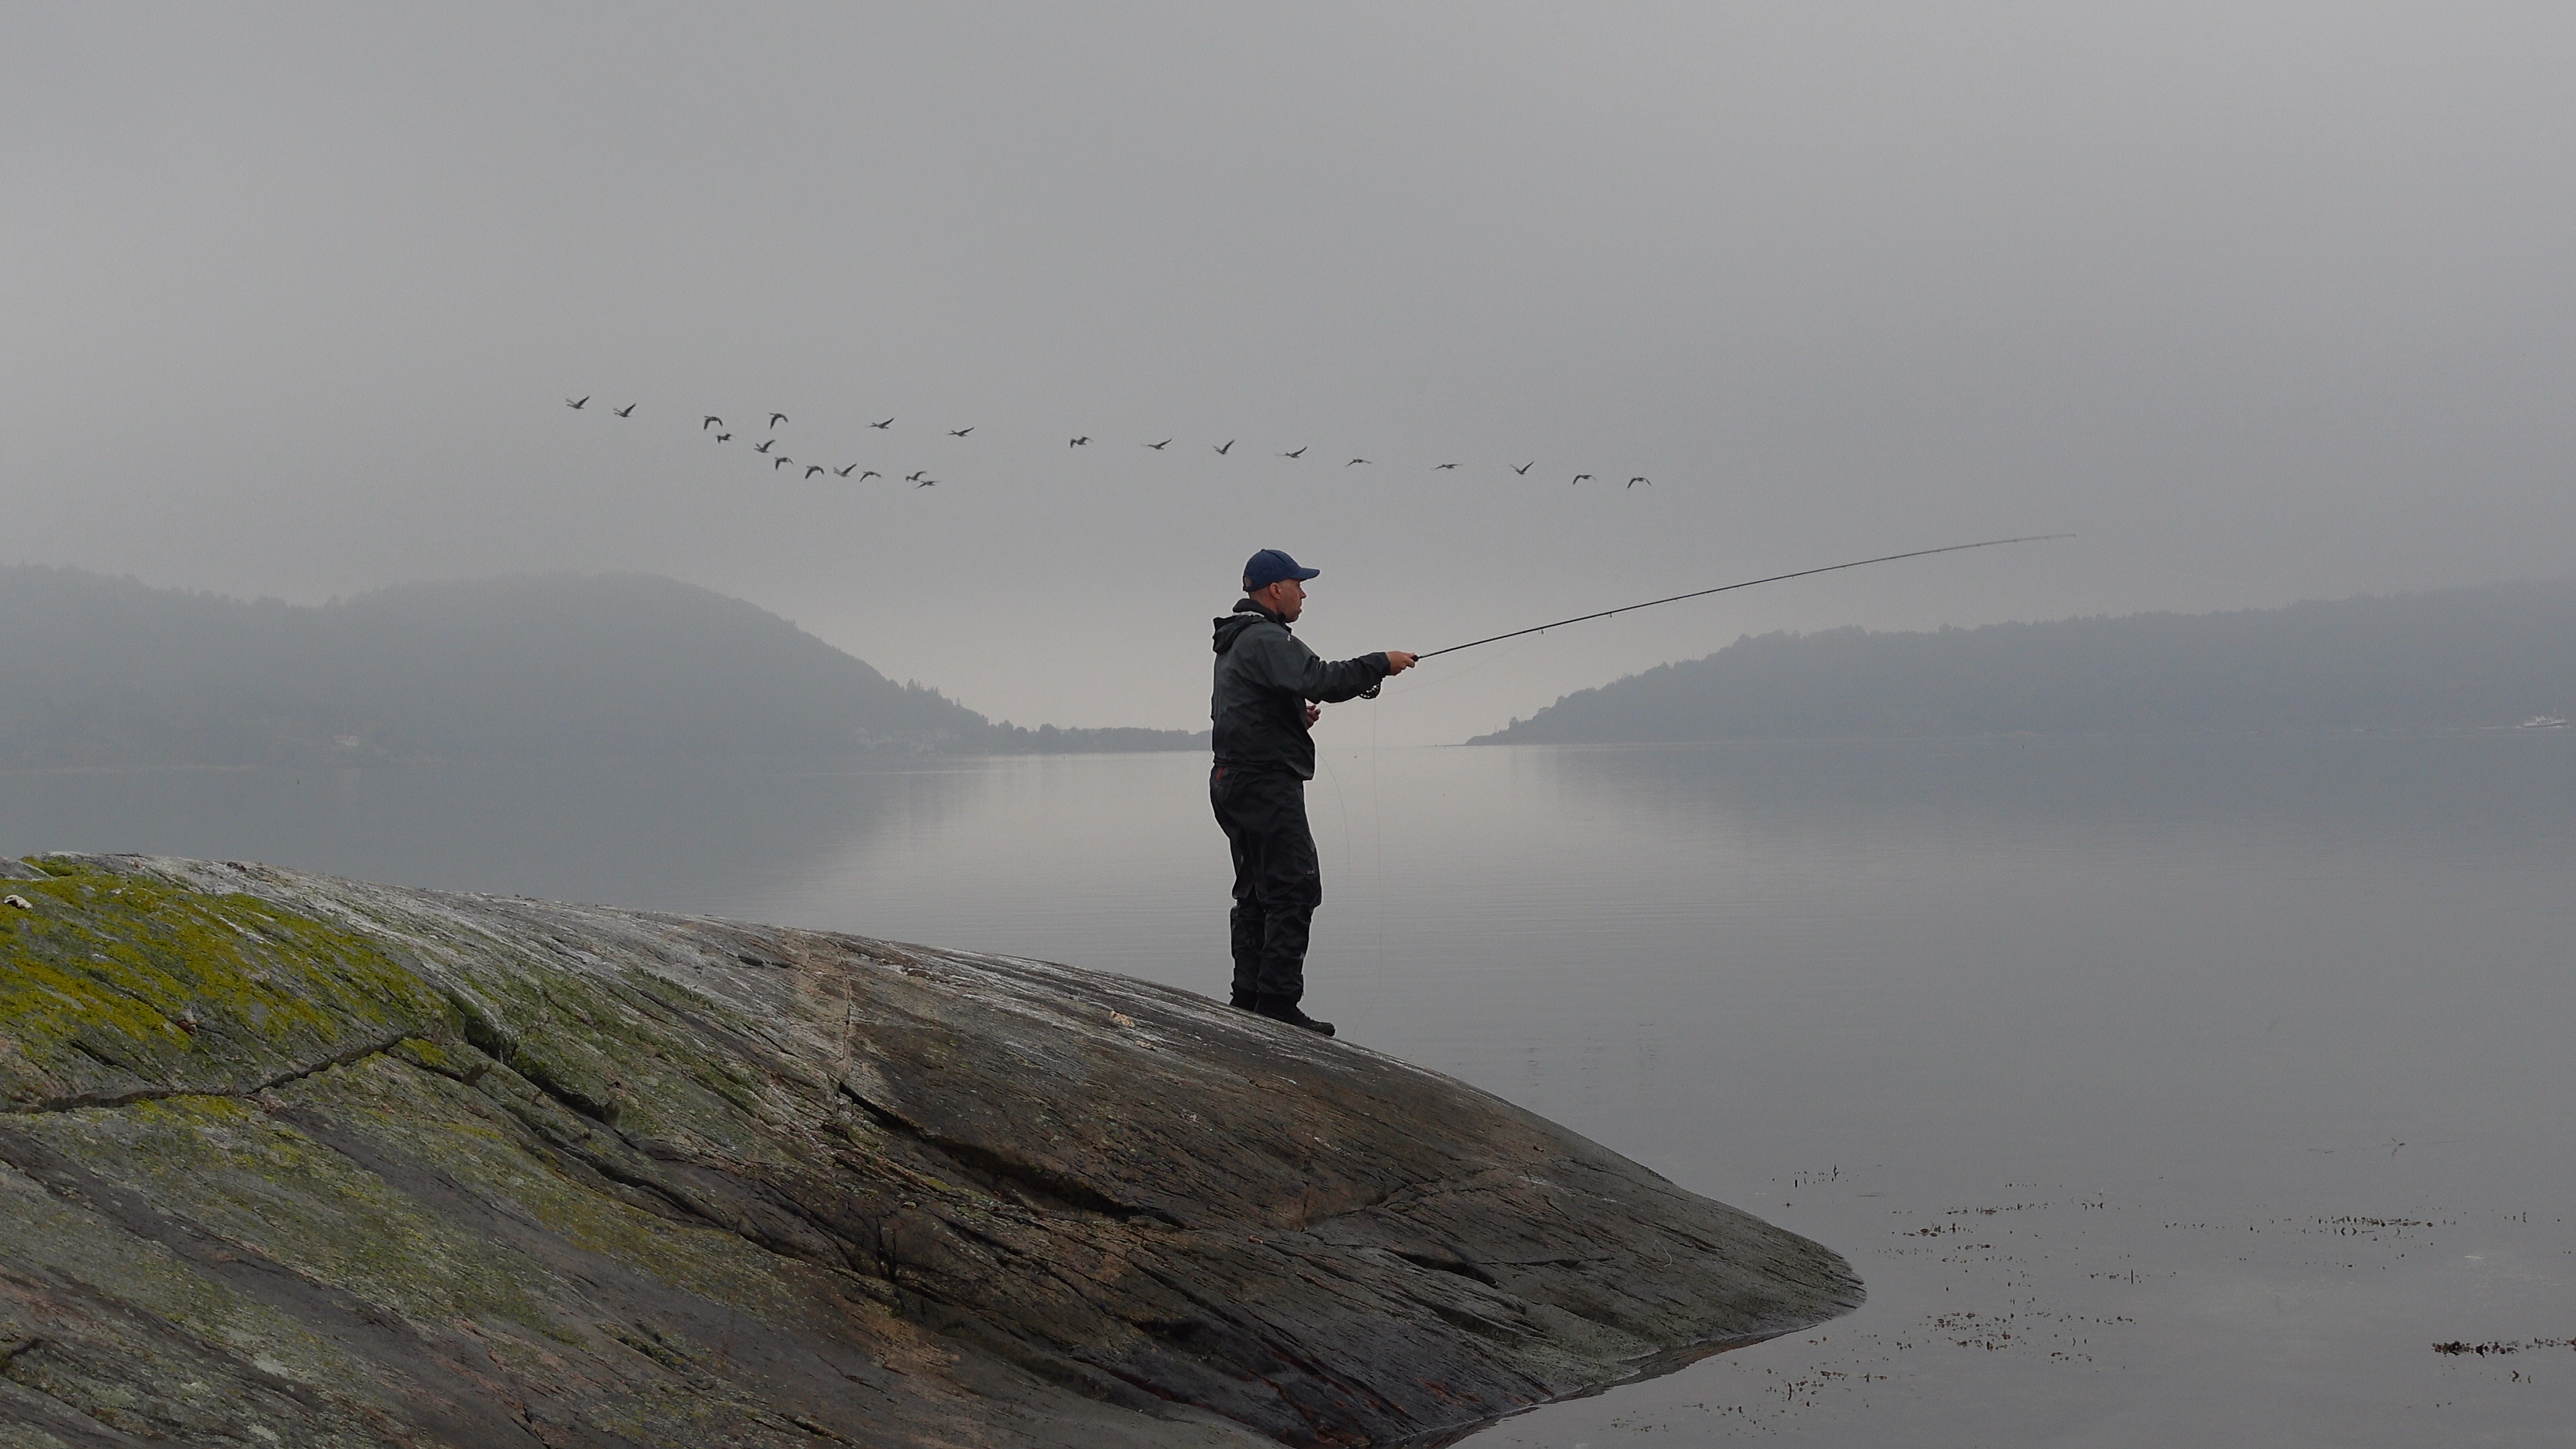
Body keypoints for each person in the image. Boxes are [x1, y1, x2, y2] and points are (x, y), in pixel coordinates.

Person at [1210, 549, 1417, 1035]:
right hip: (1264, 785)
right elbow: (1320, 678)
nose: (1304, 594)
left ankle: (1248, 998)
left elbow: (1237, 711)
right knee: (1294, 888)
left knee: (1255, 892)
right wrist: (1380, 663)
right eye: (1298, 585)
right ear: (1275, 590)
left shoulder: (1235, 639)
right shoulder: (1266, 637)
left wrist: (1290, 718)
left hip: (1233, 781)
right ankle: (1278, 1004)